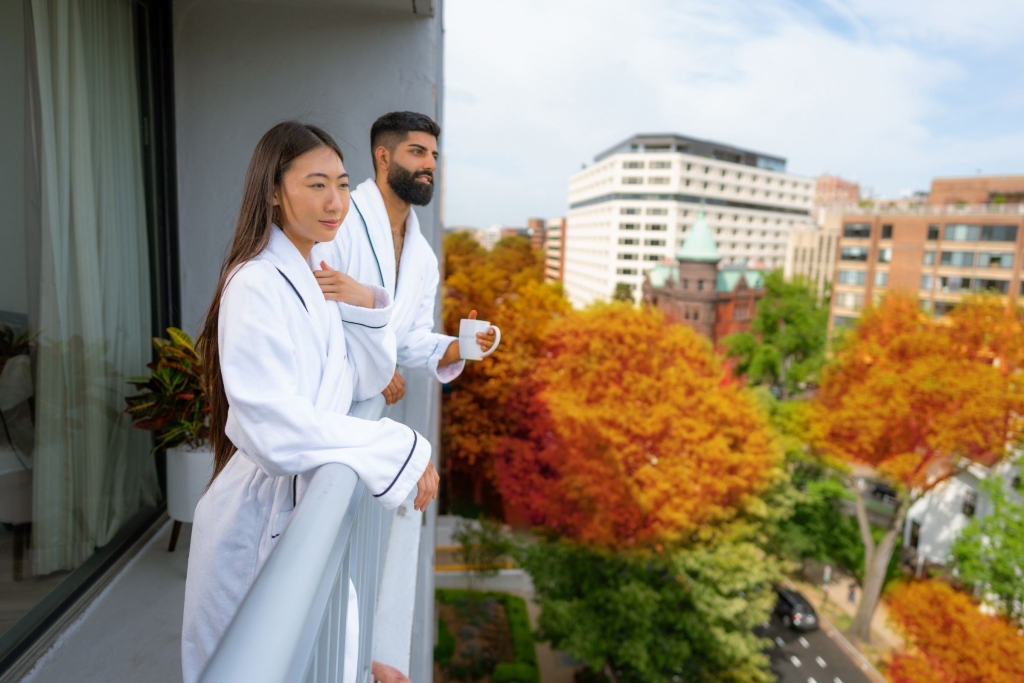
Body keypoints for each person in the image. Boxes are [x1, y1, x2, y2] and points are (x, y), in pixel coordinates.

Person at [181, 122, 439, 683]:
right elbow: (273, 429)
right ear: (273, 191)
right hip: (250, 526)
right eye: (316, 184)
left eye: (343, 186)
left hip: (295, 513)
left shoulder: (314, 277)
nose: (334, 202)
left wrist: (369, 304)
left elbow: (362, 377)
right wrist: (396, 443)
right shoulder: (254, 283)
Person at [312, 111, 495, 406]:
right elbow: (312, 312)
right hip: (319, 398)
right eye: (417, 152)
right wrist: (374, 367)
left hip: (366, 410)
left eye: (434, 155)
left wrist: (460, 347)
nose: (430, 164)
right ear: (383, 158)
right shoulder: (339, 221)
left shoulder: (422, 256)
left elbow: (409, 339)